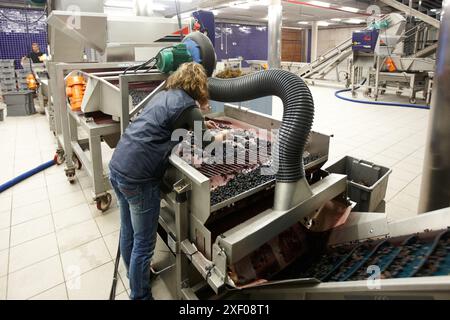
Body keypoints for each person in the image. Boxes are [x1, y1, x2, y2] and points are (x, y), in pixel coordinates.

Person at [109, 62, 226, 300]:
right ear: (199, 85)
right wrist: (221, 136)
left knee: (128, 231)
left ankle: (134, 277)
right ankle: (140, 295)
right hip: (139, 179)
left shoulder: (165, 96)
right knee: (144, 243)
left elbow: (173, 123)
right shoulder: (189, 108)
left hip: (118, 165)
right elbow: (209, 146)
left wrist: (203, 124)